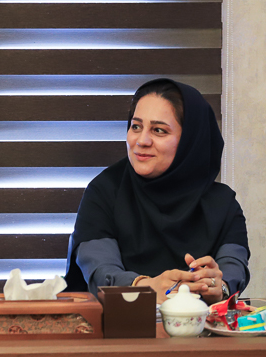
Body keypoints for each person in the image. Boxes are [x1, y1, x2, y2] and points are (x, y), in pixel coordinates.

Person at [65, 79, 249, 303]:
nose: (141, 140)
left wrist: (218, 286)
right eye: (136, 126)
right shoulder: (104, 191)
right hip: (119, 323)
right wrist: (146, 287)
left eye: (159, 130)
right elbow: (100, 272)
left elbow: (233, 267)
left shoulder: (223, 204)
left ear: (190, 139)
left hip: (200, 324)